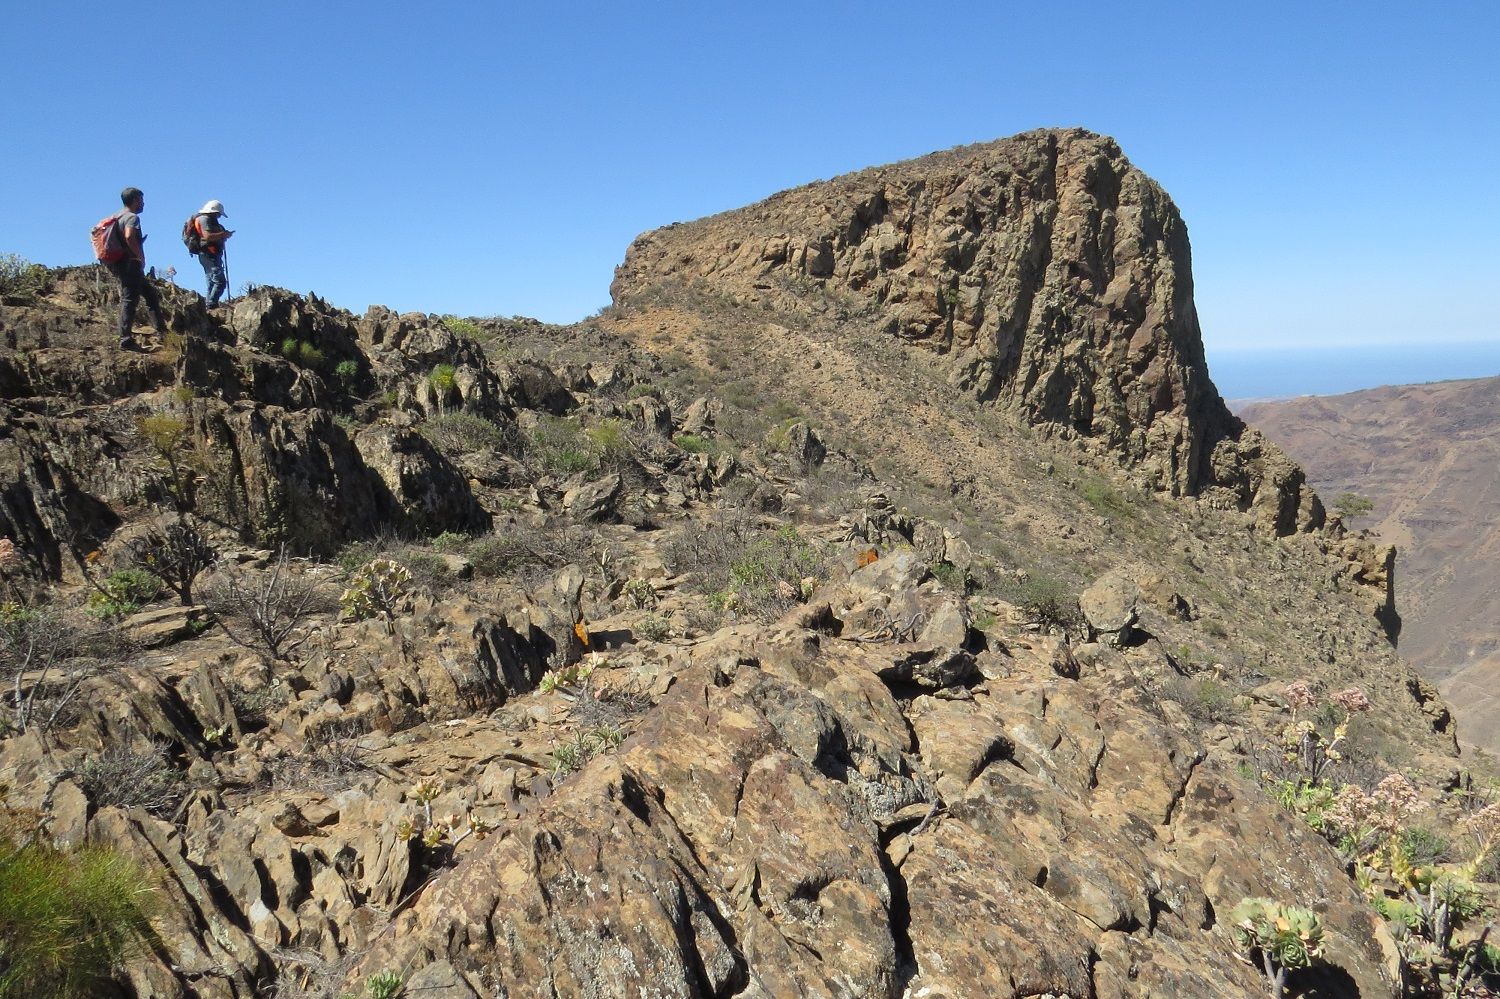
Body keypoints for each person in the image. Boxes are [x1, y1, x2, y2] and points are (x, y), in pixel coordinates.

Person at [107, 187, 167, 351]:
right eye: (141, 200)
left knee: (150, 295)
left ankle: (163, 333)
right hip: (130, 264)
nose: (143, 203)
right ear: (134, 200)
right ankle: (125, 339)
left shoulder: (118, 216)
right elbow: (129, 236)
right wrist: (140, 256)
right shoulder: (131, 218)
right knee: (129, 300)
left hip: (122, 263)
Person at [191, 200, 234, 306]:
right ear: (214, 212)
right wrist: (223, 235)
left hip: (209, 254)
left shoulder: (206, 220)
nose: (219, 217)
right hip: (208, 254)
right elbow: (207, 236)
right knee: (219, 282)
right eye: (218, 214)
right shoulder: (204, 219)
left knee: (211, 282)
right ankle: (211, 304)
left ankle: (208, 305)